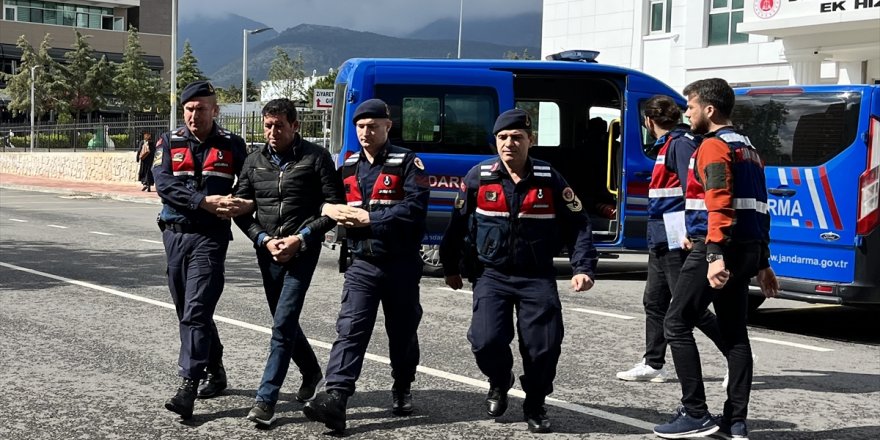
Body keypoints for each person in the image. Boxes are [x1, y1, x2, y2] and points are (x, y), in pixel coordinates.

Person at [439, 108, 598, 434]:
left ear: (530, 140)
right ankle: (500, 381)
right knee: (485, 341)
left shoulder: (549, 178)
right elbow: (456, 227)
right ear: (495, 141)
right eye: (503, 138)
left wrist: (582, 267)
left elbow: (579, 224)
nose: (509, 143)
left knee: (544, 346)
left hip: (536, 275)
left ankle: (535, 402)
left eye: (517, 137)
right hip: (491, 275)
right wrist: (451, 266)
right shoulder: (478, 178)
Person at [654, 79, 778, 439]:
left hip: (717, 248)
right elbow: (760, 209)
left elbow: (719, 201)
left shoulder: (713, 147)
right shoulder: (750, 149)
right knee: (735, 334)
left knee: (676, 323)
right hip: (747, 248)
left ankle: (695, 413)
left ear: (709, 110)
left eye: (690, 106)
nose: (686, 113)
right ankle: (735, 423)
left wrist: (714, 254)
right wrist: (763, 261)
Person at [303, 99, 429, 433]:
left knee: (401, 333)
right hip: (362, 263)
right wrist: (329, 209)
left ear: (388, 126)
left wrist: (371, 218)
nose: (365, 132)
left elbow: (415, 210)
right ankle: (337, 399)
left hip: (400, 263)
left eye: (372, 126)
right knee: (350, 329)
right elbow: (325, 199)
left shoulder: (407, 163)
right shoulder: (348, 165)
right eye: (360, 127)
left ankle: (402, 385)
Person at [233, 98, 346, 426]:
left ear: (294, 126)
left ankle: (265, 399)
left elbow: (333, 207)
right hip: (267, 251)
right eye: (267, 125)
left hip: (302, 252)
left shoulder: (316, 158)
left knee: (282, 324)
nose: (271, 131)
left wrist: (301, 238)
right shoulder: (253, 162)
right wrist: (263, 239)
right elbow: (242, 209)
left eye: (278, 126)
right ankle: (311, 372)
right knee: (286, 322)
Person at [153, 80, 251, 420]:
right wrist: (201, 201)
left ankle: (187, 385)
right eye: (189, 109)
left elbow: (251, 178)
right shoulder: (169, 141)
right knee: (187, 309)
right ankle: (216, 367)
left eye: (201, 109)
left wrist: (237, 201)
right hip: (175, 235)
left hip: (210, 238)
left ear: (215, 110)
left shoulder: (232, 145)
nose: (195, 115)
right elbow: (163, 184)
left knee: (196, 308)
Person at [616, 95, 726, 383]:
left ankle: (735, 353)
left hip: (676, 233)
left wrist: (688, 230)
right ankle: (653, 363)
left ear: (649, 122)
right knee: (654, 301)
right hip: (661, 234)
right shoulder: (670, 144)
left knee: (688, 306)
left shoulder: (680, 144)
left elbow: (695, 189)